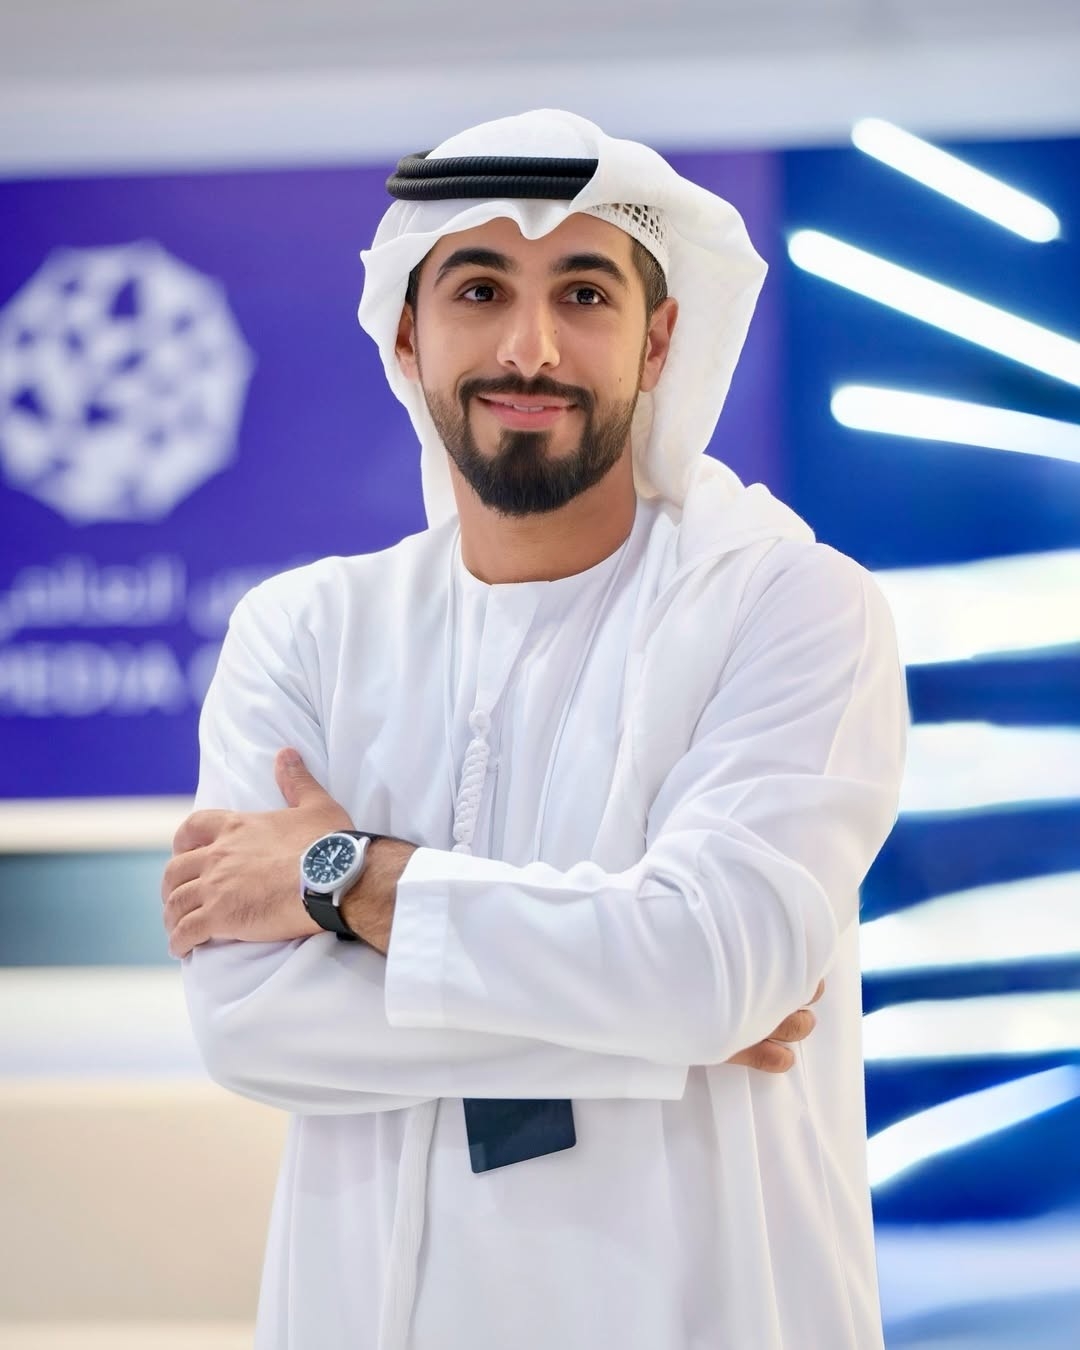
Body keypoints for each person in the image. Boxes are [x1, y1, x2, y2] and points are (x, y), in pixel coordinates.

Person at [164, 109, 907, 1350]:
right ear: (408, 334)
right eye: (479, 289)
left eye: (584, 293)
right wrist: (659, 1028)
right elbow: (249, 1025)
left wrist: (344, 879)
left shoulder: (785, 603)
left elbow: (713, 965)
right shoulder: (304, 632)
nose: (530, 346)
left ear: (658, 339)